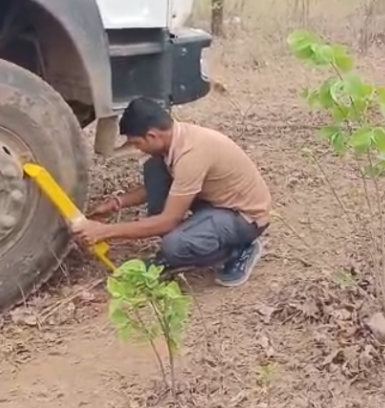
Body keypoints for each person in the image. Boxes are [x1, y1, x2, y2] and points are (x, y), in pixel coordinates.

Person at [73, 97, 271, 287]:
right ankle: (194, 237)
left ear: (152, 135)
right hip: (216, 202)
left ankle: (239, 249)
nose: (136, 148)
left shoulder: (191, 155)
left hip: (245, 218)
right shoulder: (176, 139)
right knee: (154, 167)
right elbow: (164, 187)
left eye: (137, 143)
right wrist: (117, 202)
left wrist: (105, 231)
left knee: (174, 246)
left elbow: (168, 221)